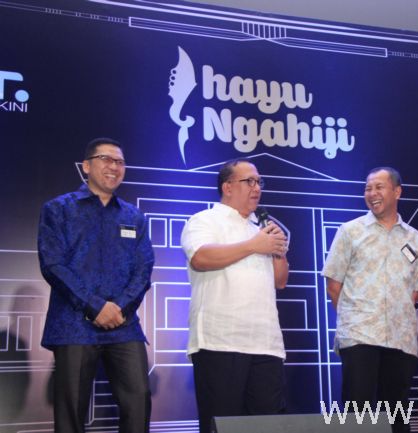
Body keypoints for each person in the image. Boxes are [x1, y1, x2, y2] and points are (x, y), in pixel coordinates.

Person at [38, 137, 154, 433]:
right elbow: (53, 265)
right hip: (73, 324)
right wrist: (95, 306)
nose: (114, 166)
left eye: (120, 162)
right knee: (71, 413)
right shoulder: (58, 209)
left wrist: (119, 307)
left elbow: (144, 269)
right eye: (106, 159)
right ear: (87, 166)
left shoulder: (134, 216)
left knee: (139, 401)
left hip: (123, 324)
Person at [180, 158, 289, 433]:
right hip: (220, 342)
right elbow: (201, 258)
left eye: (259, 182)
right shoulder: (204, 220)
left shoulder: (261, 228)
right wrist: (254, 245)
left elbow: (280, 281)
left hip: (266, 344)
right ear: (227, 187)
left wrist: (277, 250)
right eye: (249, 181)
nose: (257, 188)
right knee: (223, 425)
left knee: (267, 427)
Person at [322, 167, 418, 433]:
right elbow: (333, 285)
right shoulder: (350, 231)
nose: (372, 193)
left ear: (397, 191)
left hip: (401, 338)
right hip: (360, 335)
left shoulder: (416, 239)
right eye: (368, 188)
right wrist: (354, 319)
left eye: (379, 187)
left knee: (396, 415)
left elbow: (415, 291)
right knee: (358, 416)